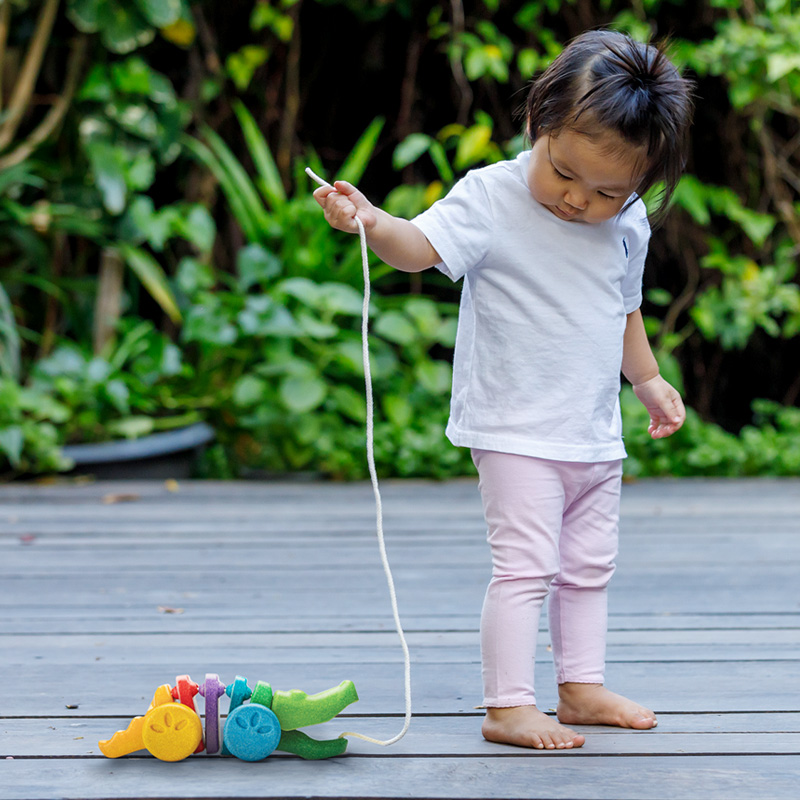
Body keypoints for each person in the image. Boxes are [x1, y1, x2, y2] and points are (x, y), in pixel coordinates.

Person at [313, 29, 694, 751]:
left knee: (588, 566)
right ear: (537, 126)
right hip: (515, 429)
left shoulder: (627, 222)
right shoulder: (491, 195)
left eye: (609, 191)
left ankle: (580, 687)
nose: (580, 199)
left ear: (640, 187)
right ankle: (508, 704)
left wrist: (646, 380)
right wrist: (371, 221)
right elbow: (419, 248)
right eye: (565, 173)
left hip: (591, 432)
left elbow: (623, 307)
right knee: (526, 566)